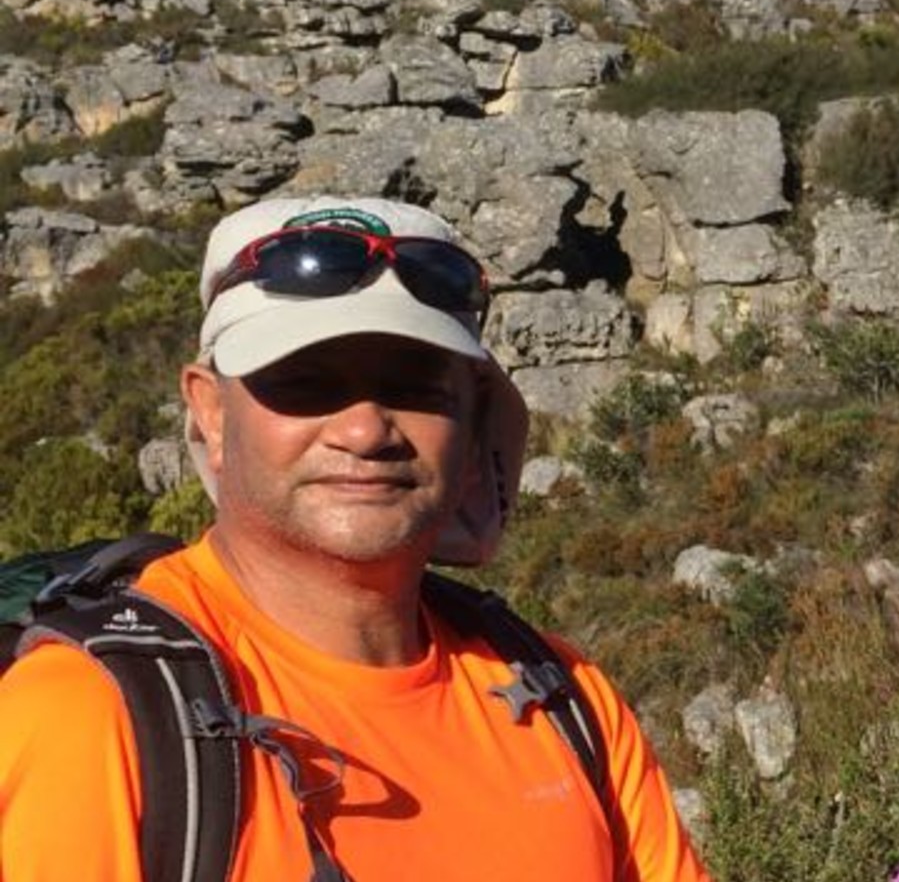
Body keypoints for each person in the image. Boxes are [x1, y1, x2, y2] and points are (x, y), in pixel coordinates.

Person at [0, 195, 709, 882]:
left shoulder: (565, 697)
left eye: (415, 385)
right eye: (306, 383)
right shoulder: (90, 715)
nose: (366, 430)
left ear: (473, 422)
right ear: (211, 413)